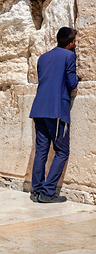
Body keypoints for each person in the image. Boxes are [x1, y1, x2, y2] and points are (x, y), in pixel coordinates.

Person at [29, 27, 78, 203]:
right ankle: (48, 193)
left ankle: (37, 191)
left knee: (41, 150)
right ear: (71, 43)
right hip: (56, 110)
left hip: (39, 109)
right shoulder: (69, 56)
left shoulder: (42, 57)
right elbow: (72, 84)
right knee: (62, 151)